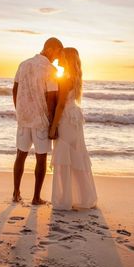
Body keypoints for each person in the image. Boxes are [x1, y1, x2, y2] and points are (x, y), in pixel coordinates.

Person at [12, 37, 63, 205]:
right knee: (41, 158)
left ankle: (16, 193)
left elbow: (15, 89)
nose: (56, 58)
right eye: (56, 53)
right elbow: (51, 98)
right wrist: (52, 122)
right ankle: (36, 198)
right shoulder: (50, 69)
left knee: (21, 155)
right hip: (40, 120)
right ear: (50, 48)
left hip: (24, 118)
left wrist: (19, 110)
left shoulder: (24, 64)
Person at [49, 47, 97, 210]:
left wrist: (53, 126)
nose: (58, 59)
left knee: (64, 156)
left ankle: (65, 200)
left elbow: (61, 105)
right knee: (75, 155)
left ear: (67, 59)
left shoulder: (64, 79)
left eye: (61, 56)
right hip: (74, 117)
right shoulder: (75, 77)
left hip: (66, 119)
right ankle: (84, 197)